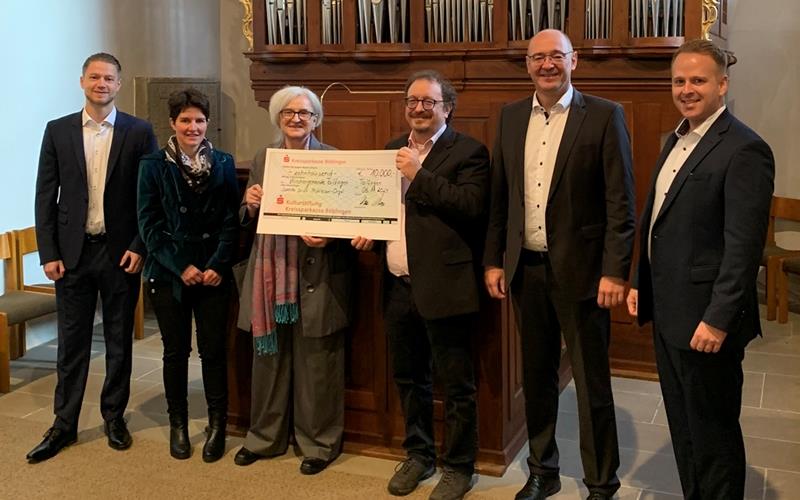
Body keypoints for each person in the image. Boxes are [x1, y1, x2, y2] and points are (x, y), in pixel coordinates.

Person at [483, 30, 635, 500]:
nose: (546, 65)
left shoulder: (606, 115)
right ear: (527, 65)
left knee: (592, 382)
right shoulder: (509, 117)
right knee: (536, 376)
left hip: (585, 272)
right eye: (537, 58)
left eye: (555, 56)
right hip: (526, 270)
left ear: (575, 61)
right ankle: (543, 471)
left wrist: (614, 270)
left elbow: (620, 202)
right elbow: (500, 198)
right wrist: (493, 261)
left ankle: (601, 482)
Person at [626, 39, 774, 499]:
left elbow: (742, 248)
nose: (686, 89)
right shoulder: (677, 138)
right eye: (679, 80)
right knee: (684, 426)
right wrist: (638, 283)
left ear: (722, 84)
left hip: (706, 320)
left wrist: (718, 319)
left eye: (697, 80)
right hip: (671, 312)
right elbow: (658, 220)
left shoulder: (746, 148)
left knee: (713, 434)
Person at [29, 53, 158, 463]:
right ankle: (63, 425)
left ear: (119, 85)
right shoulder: (58, 131)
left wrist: (139, 246)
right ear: (82, 81)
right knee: (72, 344)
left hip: (120, 253)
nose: (101, 83)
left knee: (119, 341)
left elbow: (148, 195)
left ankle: (114, 418)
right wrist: (48, 252)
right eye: (95, 77)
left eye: (109, 78)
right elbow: (45, 195)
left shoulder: (139, 131)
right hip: (73, 255)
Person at [375, 70, 489, 500]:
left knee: (457, 384)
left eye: (429, 102)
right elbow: (383, 211)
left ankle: (459, 467)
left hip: (446, 284)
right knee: (409, 378)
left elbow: (471, 208)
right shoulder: (390, 149)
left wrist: (419, 174)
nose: (419, 108)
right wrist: (368, 234)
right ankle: (419, 454)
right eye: (412, 101)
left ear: (447, 108)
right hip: (397, 284)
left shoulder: (470, 152)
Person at [233, 86, 355, 476]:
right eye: (288, 113)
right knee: (268, 359)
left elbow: (351, 216)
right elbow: (250, 213)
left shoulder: (333, 159)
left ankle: (318, 443)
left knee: (317, 364)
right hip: (271, 276)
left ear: (317, 120)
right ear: (278, 119)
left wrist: (330, 234)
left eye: (305, 113)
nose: (297, 119)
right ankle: (263, 437)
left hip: (318, 273)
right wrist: (249, 204)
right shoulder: (263, 157)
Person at [137, 88, 240, 461]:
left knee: (213, 352)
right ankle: (178, 424)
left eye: (199, 120)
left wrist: (216, 265)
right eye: (185, 120)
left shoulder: (225, 163)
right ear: (172, 123)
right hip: (169, 273)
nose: (192, 127)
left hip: (213, 272)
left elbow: (231, 221)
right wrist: (181, 266)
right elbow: (148, 225)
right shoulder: (153, 165)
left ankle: (217, 426)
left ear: (207, 123)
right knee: (175, 352)